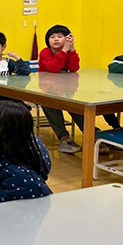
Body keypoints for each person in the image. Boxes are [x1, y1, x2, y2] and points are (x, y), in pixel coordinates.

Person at [38, 24, 84, 154]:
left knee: (76, 106)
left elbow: (74, 68)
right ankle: (64, 138)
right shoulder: (45, 52)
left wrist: (72, 50)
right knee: (50, 105)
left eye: (60, 36)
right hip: (48, 89)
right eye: (52, 37)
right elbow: (53, 68)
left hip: (66, 88)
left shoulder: (69, 52)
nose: (56, 39)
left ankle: (93, 134)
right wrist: (64, 51)